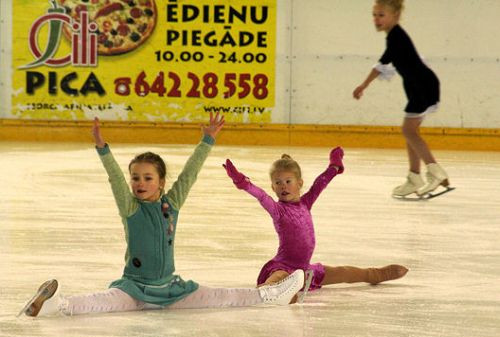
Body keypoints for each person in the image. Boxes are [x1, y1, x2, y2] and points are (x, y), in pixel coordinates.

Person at [19, 113, 305, 318]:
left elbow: (189, 175)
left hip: (171, 290)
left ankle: (270, 295)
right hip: (135, 288)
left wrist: (207, 140)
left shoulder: (172, 204)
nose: (139, 183)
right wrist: (102, 149)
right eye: (135, 178)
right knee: (101, 301)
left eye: (146, 177)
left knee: (222, 295)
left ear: (161, 181)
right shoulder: (131, 208)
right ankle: (57, 305)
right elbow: (115, 180)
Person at [223, 147, 408, 301]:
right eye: (278, 183)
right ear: (273, 187)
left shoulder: (306, 202)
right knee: (279, 278)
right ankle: (265, 291)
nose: (283, 186)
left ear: (299, 183)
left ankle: (375, 274)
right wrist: (241, 181)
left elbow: (320, 184)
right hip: (283, 267)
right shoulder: (278, 210)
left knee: (343, 272)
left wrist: (334, 166)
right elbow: (261, 196)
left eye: (288, 181)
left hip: (305, 270)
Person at [353, 0, 449, 197]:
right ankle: (414, 177)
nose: (376, 19)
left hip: (422, 87)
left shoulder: (396, 37)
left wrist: (363, 85)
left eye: (381, 15)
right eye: (374, 15)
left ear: (395, 16)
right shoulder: (396, 36)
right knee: (410, 132)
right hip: (421, 86)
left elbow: (382, 64)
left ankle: (435, 170)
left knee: (408, 131)